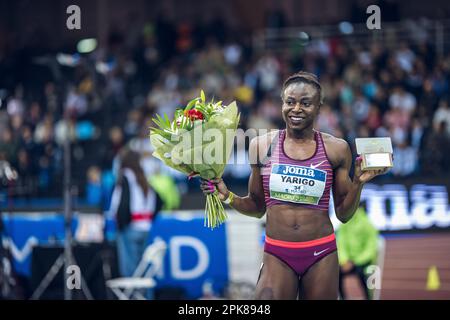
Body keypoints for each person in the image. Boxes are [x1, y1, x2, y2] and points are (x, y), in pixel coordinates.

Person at [201, 71, 389, 300]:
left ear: (319, 107)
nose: (296, 109)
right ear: (282, 104)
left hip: (321, 253)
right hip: (277, 253)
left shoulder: (336, 149)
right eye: (290, 102)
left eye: (305, 103)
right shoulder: (262, 146)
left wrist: (358, 183)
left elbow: (344, 214)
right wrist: (228, 196)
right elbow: (257, 206)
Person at [110, 148, 162, 277]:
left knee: (130, 271)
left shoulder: (127, 176)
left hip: (130, 228)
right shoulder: (142, 176)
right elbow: (159, 200)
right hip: (144, 228)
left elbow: (123, 202)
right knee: (142, 270)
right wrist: (148, 219)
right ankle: (145, 297)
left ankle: (133, 297)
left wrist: (122, 225)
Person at [336, 206, 379, 300]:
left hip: (363, 261)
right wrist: (344, 260)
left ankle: (368, 298)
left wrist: (356, 262)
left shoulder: (367, 223)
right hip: (348, 261)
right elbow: (341, 243)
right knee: (336, 273)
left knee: (362, 274)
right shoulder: (344, 224)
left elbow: (371, 247)